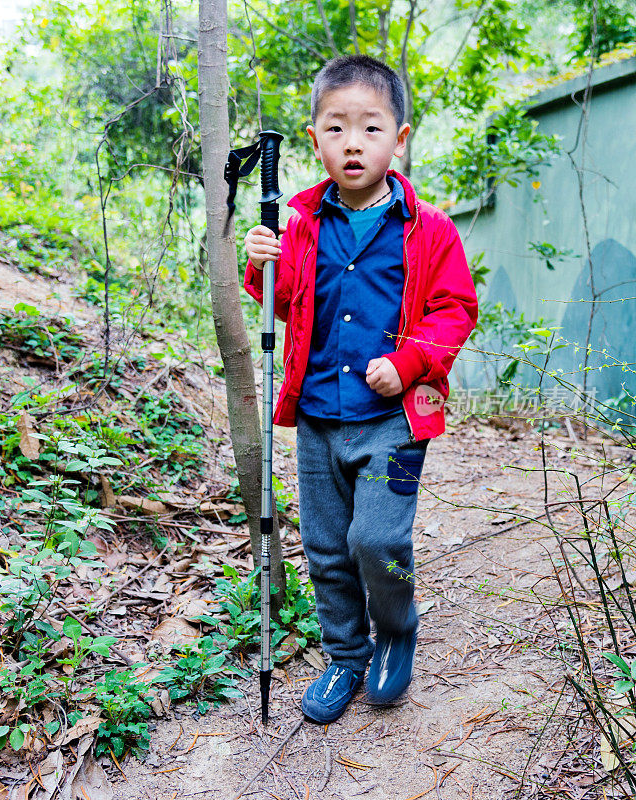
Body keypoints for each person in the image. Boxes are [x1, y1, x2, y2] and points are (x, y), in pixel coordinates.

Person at [243, 54, 478, 723]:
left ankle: (397, 626)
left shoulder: (428, 228)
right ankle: (345, 655)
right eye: (336, 129)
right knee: (324, 545)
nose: (353, 143)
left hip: (395, 421)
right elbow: (286, 301)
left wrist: (407, 364)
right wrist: (262, 267)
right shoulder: (302, 223)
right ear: (314, 138)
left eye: (370, 129)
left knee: (376, 539)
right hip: (318, 417)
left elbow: (455, 308)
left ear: (398, 139)